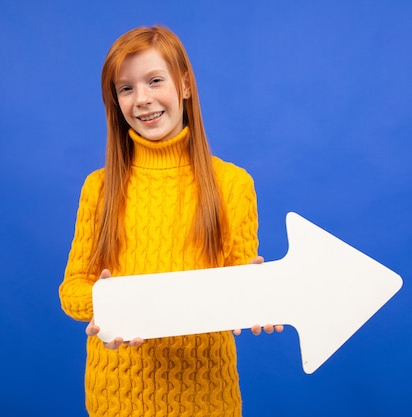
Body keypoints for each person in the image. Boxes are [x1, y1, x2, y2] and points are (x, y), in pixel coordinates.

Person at [59, 25, 283, 417]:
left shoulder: (232, 184)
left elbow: (237, 277)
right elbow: (72, 287)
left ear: (184, 85)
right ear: (115, 100)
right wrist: (106, 305)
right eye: (126, 88)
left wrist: (257, 298)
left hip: (207, 393)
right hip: (117, 393)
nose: (142, 99)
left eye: (154, 81)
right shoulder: (99, 187)